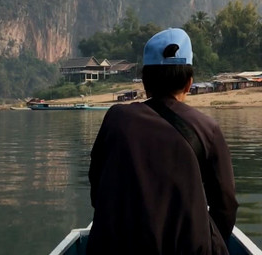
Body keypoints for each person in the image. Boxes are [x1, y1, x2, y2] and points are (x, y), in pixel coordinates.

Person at [87, 28, 238, 255]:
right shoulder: (208, 129)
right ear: (189, 83)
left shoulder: (116, 119)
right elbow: (226, 205)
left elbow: (97, 186)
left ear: (145, 81)